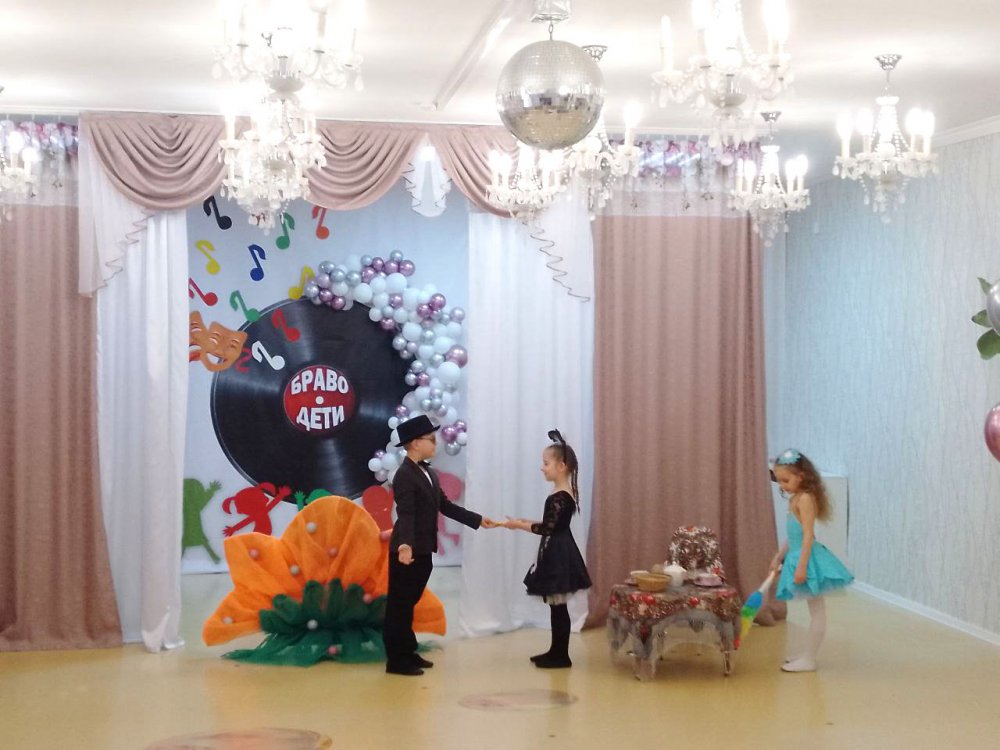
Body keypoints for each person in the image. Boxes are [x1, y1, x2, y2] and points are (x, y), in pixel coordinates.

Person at [383, 414, 498, 676]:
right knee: (399, 605)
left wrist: (477, 520)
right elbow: (406, 513)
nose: (435, 443)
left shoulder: (429, 473)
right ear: (415, 443)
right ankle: (396, 660)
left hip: (424, 548)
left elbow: (445, 506)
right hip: (407, 550)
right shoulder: (404, 475)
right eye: (431, 439)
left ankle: (408, 651)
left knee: (409, 603)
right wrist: (405, 546)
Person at [504, 430, 592, 669]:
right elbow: (553, 524)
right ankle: (556, 651)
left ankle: (561, 656)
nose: (542, 468)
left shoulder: (561, 496)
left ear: (561, 466)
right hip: (558, 550)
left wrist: (519, 525)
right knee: (556, 607)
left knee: (558, 607)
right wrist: (524, 521)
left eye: (546, 463)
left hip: (559, 554)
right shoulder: (561, 494)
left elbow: (548, 528)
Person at [770, 448, 854, 673]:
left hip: (808, 559)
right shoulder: (795, 498)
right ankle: (807, 654)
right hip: (798, 556)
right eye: (779, 481)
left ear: (801, 476)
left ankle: (809, 659)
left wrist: (802, 566)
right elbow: (793, 535)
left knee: (817, 611)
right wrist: (779, 555)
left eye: (786, 480)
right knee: (814, 610)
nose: (782, 486)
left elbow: (808, 536)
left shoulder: (805, 499)